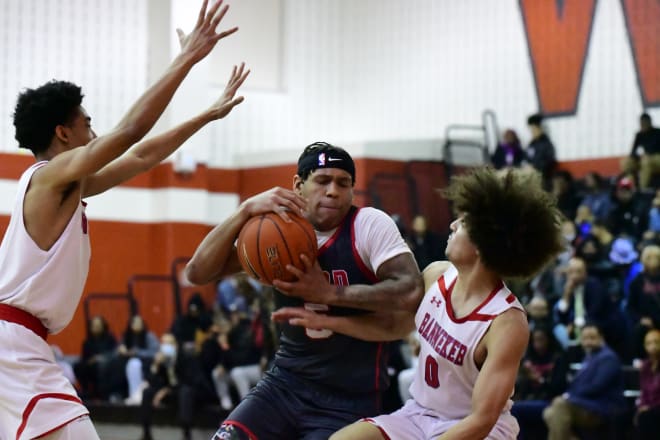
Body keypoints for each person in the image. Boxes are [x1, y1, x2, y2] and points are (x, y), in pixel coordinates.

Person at [0, 1, 248, 438]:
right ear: (63, 132)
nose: (96, 134)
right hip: (13, 345)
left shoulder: (65, 188)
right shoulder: (48, 179)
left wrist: (207, 115)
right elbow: (129, 133)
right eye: (88, 124)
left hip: (21, 343)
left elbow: (140, 154)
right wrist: (187, 58)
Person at [274, 167, 564, 439]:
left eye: (462, 222)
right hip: (419, 416)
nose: (451, 224)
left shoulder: (506, 321)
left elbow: (481, 419)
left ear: (483, 241)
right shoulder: (436, 275)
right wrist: (328, 322)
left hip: (476, 431)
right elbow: (393, 327)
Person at [184, 141, 423, 439]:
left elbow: (411, 289)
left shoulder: (368, 224)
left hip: (350, 398)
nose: (333, 191)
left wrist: (331, 294)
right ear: (298, 184)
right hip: (285, 384)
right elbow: (197, 272)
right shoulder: (277, 230)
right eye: (323, 181)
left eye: (343, 183)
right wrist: (244, 211)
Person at [542, 323, 626, 440]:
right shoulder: (590, 357)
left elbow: (597, 387)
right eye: (585, 338)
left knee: (559, 406)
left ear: (601, 338)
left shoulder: (608, 358)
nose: (588, 342)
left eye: (592, 338)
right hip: (585, 404)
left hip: (602, 407)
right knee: (549, 413)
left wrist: (568, 397)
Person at [623, 113, 660, 190]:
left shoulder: (657, 132)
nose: (643, 125)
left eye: (645, 122)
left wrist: (647, 156)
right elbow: (633, 151)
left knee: (646, 161)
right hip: (646, 158)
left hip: (657, 157)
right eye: (642, 123)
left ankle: (642, 189)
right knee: (626, 163)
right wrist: (635, 158)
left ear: (650, 122)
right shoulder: (639, 135)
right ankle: (630, 188)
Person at [635, 329, 660, 440]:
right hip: (648, 408)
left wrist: (649, 408)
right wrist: (641, 407)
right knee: (619, 415)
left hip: (657, 407)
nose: (653, 346)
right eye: (649, 343)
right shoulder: (646, 366)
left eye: (656, 342)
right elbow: (643, 392)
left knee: (646, 417)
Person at [524, 113, 557, 187]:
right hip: (530, 178)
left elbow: (549, 161)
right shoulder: (531, 144)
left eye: (534, 129)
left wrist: (535, 167)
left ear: (540, 128)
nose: (532, 131)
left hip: (542, 178)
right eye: (531, 129)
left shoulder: (547, 144)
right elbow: (526, 158)